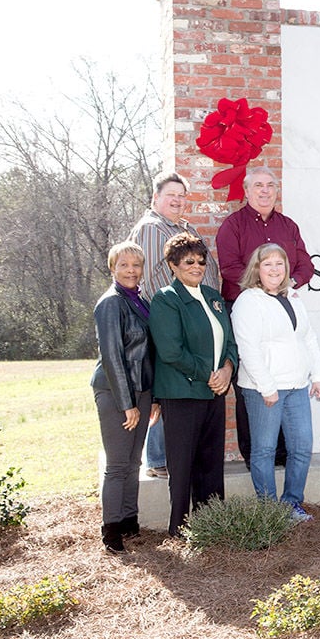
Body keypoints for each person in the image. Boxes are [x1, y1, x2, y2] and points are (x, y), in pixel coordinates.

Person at [217, 165, 315, 467]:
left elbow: (305, 265)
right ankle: (254, 454)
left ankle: (283, 453)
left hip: (283, 307)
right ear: (247, 191)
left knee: (286, 376)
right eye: (258, 185)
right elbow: (229, 267)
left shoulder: (288, 226)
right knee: (251, 378)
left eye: (270, 185)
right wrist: (262, 289)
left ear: (276, 190)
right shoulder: (232, 225)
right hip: (244, 307)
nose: (264, 190)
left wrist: (286, 285)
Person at [128, 171, 220, 480]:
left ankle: (175, 455)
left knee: (182, 389)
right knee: (167, 390)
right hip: (171, 321)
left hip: (194, 318)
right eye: (171, 195)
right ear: (156, 198)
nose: (178, 200)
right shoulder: (154, 230)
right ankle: (157, 458)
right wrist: (170, 317)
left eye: (182, 196)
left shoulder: (182, 228)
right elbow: (150, 280)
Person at [149, 233, 238, 537]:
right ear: (173, 265)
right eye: (189, 261)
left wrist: (226, 370)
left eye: (201, 261)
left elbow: (230, 343)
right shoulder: (166, 299)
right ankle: (179, 531)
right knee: (183, 465)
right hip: (182, 393)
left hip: (213, 392)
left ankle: (212, 526)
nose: (197, 266)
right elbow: (171, 351)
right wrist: (209, 374)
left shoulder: (213, 297)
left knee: (211, 464)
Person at [232, 244, 320, 523]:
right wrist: (267, 387)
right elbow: (247, 348)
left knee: (301, 446)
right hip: (265, 390)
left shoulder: (294, 298)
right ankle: (269, 511)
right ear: (257, 270)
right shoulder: (248, 301)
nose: (275, 270)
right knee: (264, 449)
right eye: (268, 264)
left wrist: (319, 375)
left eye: (280, 264)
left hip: (297, 386)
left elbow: (308, 339)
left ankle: (292, 504)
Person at [91, 241, 159, 554]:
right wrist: (126, 403)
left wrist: (152, 397)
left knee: (134, 461)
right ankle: (112, 532)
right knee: (118, 464)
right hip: (116, 392)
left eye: (136, 265)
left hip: (142, 391)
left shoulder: (139, 300)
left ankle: (130, 522)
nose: (131, 271)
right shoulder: (110, 303)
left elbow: (147, 354)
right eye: (124, 265)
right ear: (113, 268)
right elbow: (112, 357)